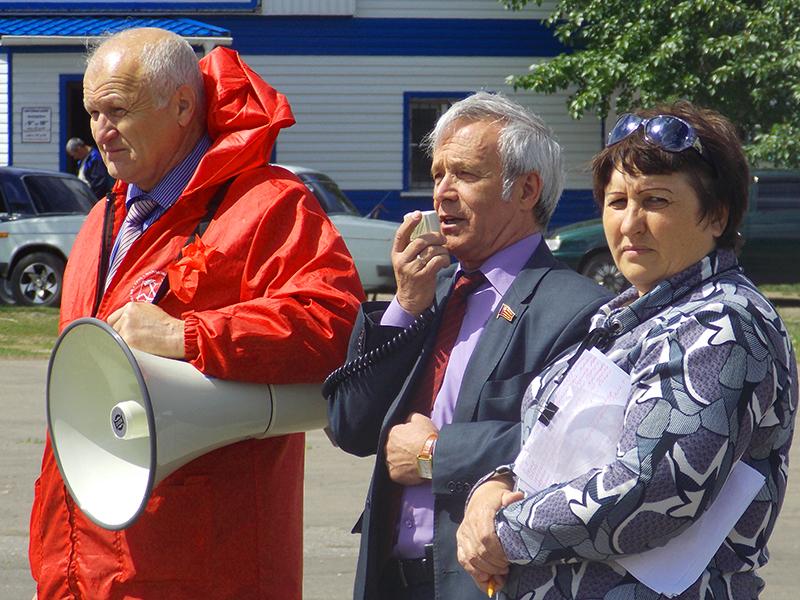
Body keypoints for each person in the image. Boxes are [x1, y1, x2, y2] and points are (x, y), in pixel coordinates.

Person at [29, 28, 364, 599]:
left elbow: (336, 325)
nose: (99, 133)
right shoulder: (100, 222)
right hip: (83, 564)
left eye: (118, 110)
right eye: (92, 113)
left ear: (183, 105)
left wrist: (187, 335)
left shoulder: (267, 204)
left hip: (202, 567)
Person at [457, 100, 798, 600]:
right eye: (617, 202)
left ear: (718, 215)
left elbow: (654, 491)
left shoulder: (723, 323)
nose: (630, 223)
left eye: (656, 201)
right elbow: (554, 444)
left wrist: (501, 531)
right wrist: (493, 486)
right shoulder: (622, 318)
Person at [326, 91, 612, 600]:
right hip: (389, 579)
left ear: (526, 190)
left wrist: (437, 454)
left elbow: (579, 449)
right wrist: (403, 308)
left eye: (465, 174)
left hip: (482, 580)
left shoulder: (577, 309)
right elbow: (351, 427)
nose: (442, 193)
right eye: (437, 175)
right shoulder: (428, 293)